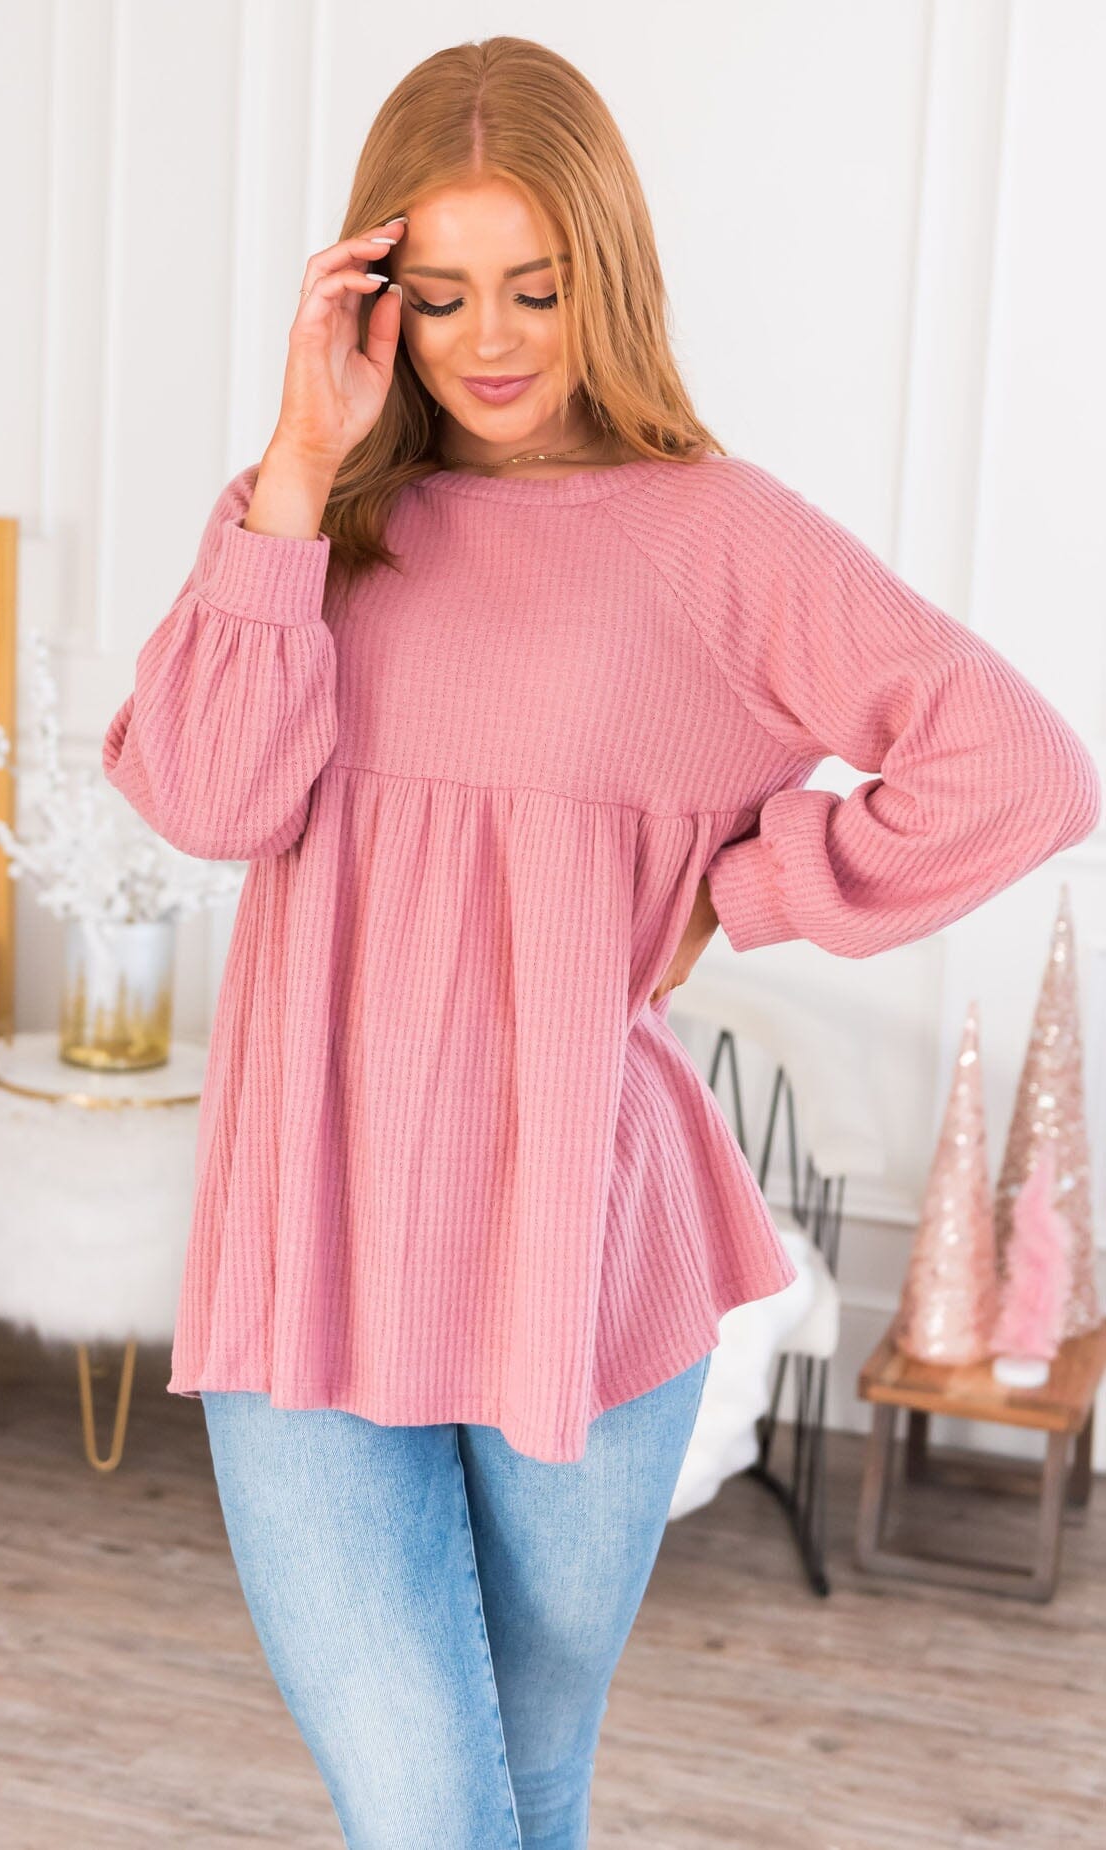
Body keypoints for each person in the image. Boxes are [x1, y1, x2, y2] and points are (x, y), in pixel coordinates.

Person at [101, 35, 1100, 1850]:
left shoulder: (717, 539)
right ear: (373, 297)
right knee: (433, 1812)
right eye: (441, 292)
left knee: (528, 1791)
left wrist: (753, 885)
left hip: (577, 1247)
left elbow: (1021, 769)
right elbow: (207, 796)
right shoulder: (304, 523)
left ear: (609, 276)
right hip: (306, 1235)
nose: (489, 338)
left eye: (538, 287)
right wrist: (298, 463)